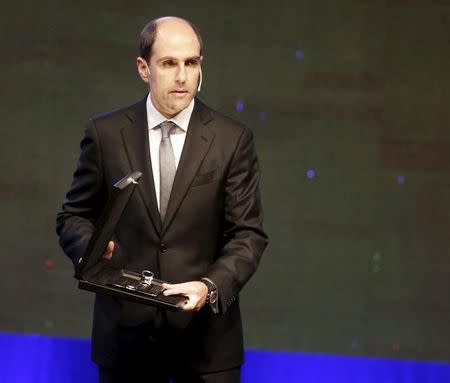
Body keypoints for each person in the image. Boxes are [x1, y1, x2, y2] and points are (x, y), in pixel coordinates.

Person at [56, 16, 268, 383]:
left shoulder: (232, 140)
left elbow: (248, 234)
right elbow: (73, 216)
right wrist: (91, 249)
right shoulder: (105, 134)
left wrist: (210, 286)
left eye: (192, 62)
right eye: (169, 63)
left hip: (207, 344)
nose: (183, 76)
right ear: (143, 68)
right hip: (125, 341)